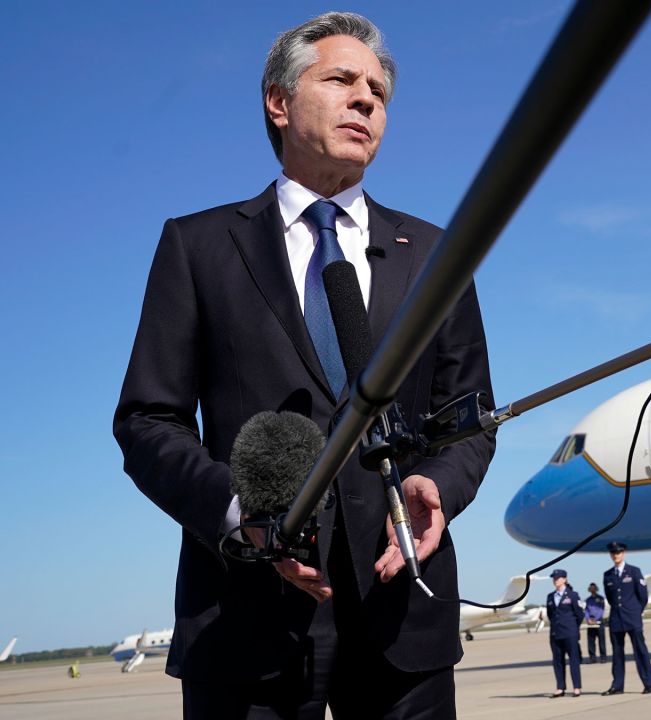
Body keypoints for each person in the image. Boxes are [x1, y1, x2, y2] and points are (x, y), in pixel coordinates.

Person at [112, 13, 495, 719]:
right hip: (243, 613)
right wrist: (240, 515)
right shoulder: (197, 247)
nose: (367, 101)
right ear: (279, 101)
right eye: (343, 80)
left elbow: (470, 418)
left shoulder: (436, 254)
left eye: (378, 91)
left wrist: (436, 484)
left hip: (402, 612)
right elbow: (148, 420)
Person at [600, 542, 651, 695]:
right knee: (617, 654)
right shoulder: (608, 575)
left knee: (640, 651)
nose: (616, 555)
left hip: (632, 618)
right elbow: (610, 597)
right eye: (613, 553)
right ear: (611, 555)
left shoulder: (634, 572)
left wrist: (636, 611)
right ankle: (617, 685)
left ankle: (647, 682)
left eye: (618, 552)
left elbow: (642, 596)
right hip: (616, 619)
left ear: (623, 554)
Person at [545, 570, 584, 698]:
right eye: (554, 578)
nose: (555, 580)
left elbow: (579, 614)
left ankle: (577, 687)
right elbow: (551, 615)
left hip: (569, 633)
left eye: (557, 578)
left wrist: (573, 627)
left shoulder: (572, 595)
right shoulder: (550, 596)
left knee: (573, 660)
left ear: (564, 579)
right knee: (558, 661)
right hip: (556, 633)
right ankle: (560, 687)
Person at [584, 582, 607, 663]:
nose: (592, 590)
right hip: (590, 623)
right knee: (591, 641)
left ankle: (603, 657)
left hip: (599, 622)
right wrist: (588, 619)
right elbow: (586, 610)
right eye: (591, 588)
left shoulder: (600, 599)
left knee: (601, 641)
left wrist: (596, 619)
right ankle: (592, 657)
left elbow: (601, 610)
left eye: (594, 588)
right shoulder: (588, 600)